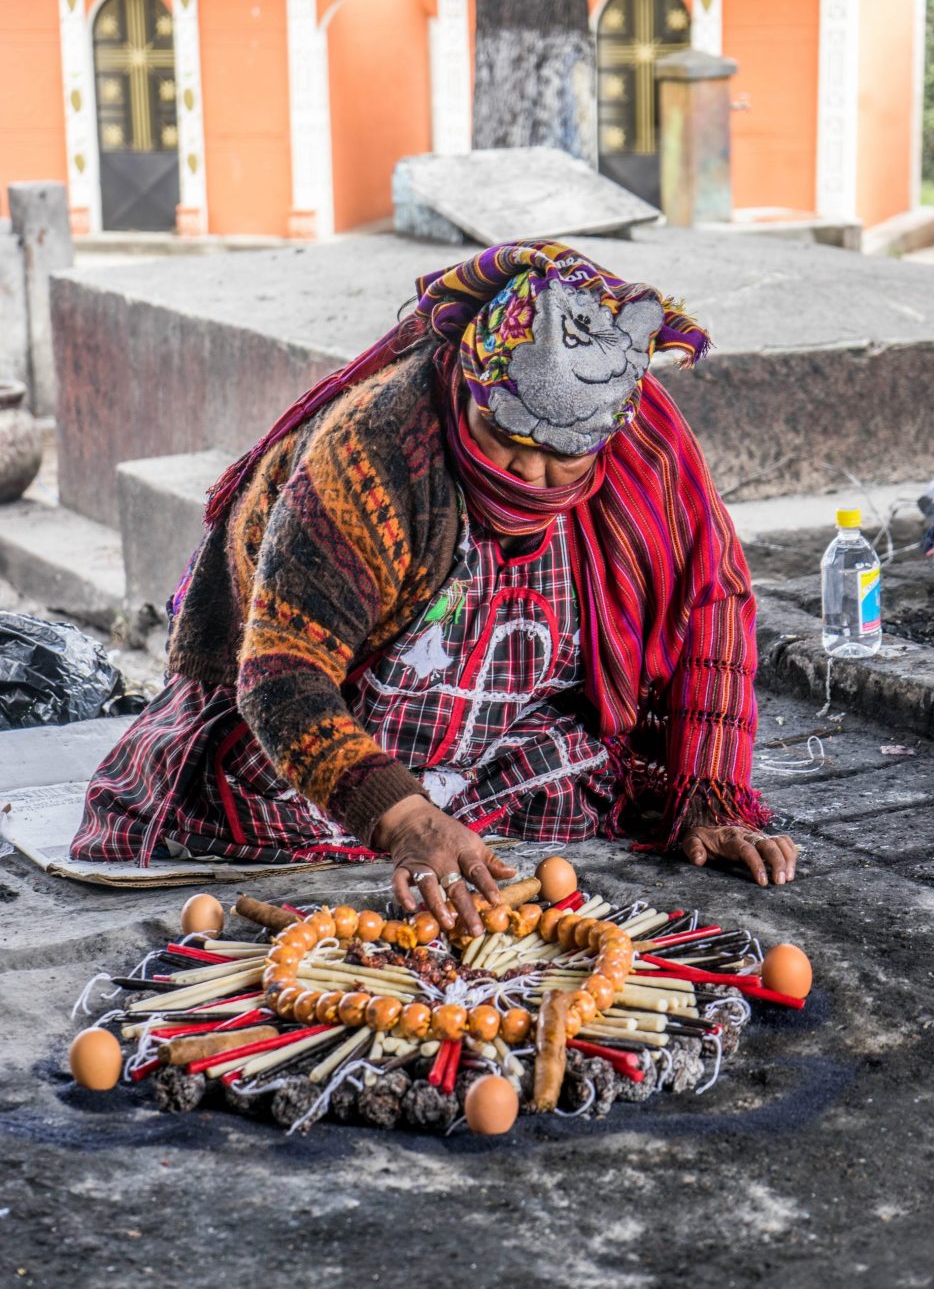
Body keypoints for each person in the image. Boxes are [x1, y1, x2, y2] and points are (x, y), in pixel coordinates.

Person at [71, 241, 798, 936]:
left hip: (498, 732)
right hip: (344, 711)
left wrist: (709, 794)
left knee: (585, 776)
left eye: (560, 461)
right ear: (468, 388)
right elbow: (282, 676)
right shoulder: (375, 446)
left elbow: (715, 605)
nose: (528, 478)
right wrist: (404, 819)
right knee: (243, 795)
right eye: (503, 440)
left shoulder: (635, 436)